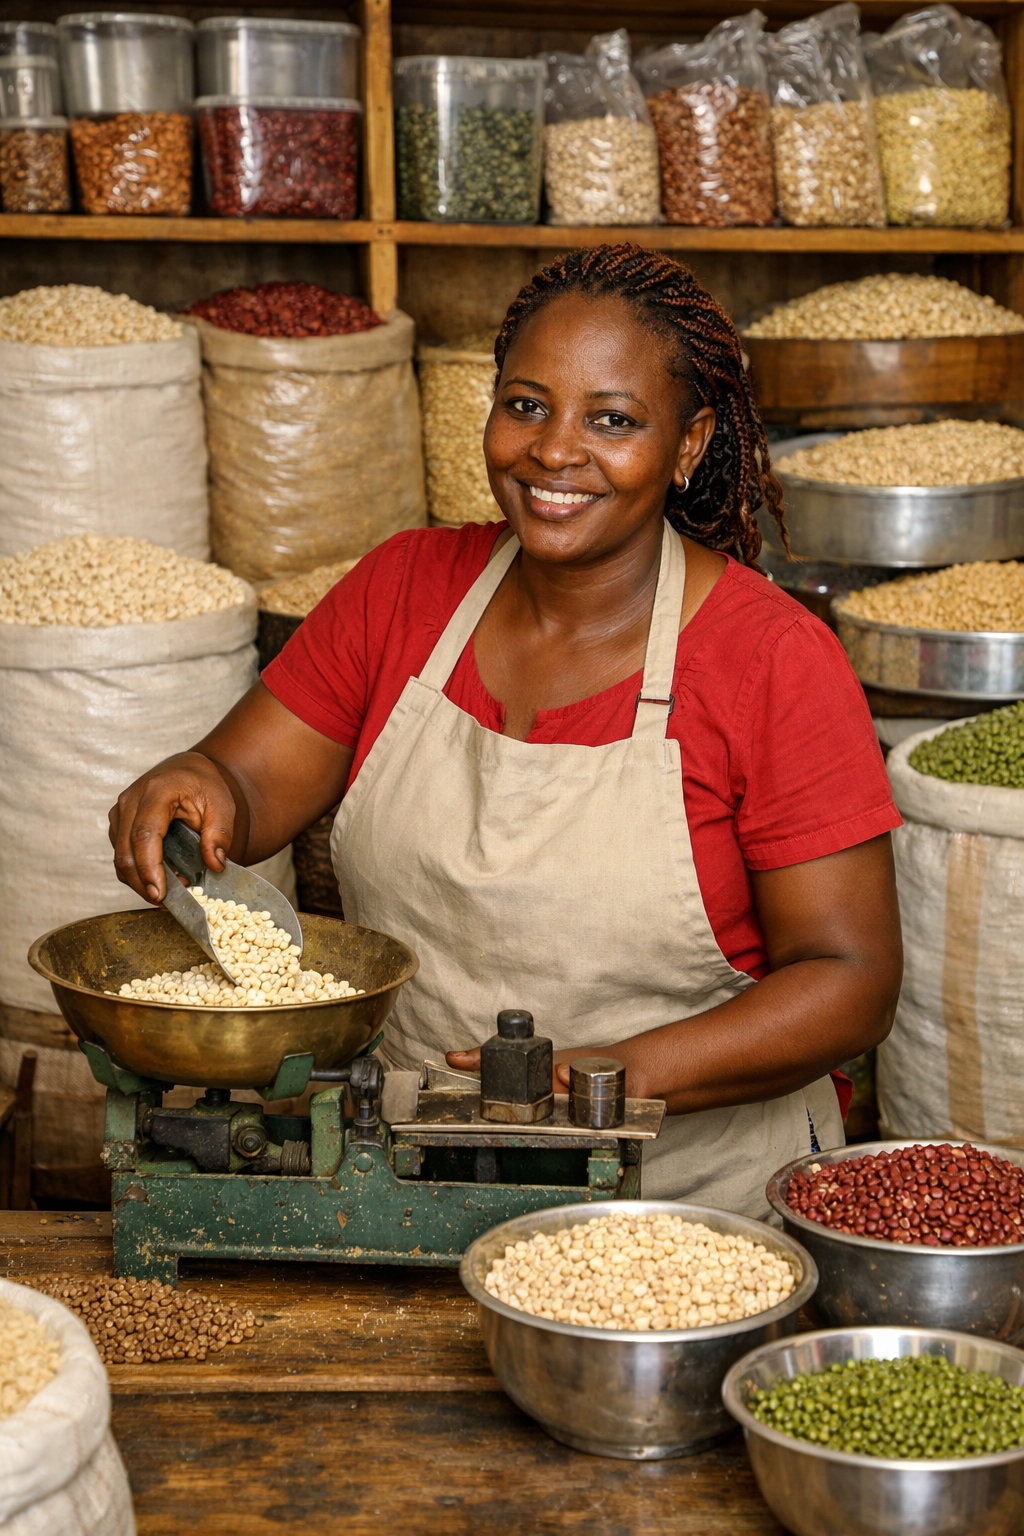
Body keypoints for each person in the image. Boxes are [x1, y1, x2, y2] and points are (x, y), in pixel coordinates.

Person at [109, 244, 903, 1217]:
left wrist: (608, 1076)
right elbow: (246, 784)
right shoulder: (403, 589)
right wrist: (194, 785)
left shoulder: (771, 660)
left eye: (611, 420)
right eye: (525, 404)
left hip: (691, 1205)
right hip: (416, 1171)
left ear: (689, 444)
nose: (554, 451)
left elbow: (849, 980)